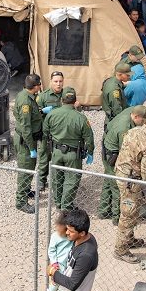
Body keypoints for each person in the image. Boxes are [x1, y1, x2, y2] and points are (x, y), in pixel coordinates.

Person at [114, 112, 146, 263]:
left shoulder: (133, 131)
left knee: (132, 209)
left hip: (121, 174)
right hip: (131, 182)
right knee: (128, 213)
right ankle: (120, 249)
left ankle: (129, 239)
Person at [98, 105, 146, 226]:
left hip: (109, 149)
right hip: (112, 155)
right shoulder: (124, 128)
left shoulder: (130, 111)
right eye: (142, 121)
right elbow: (125, 150)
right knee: (117, 185)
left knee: (108, 180)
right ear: (136, 116)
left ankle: (103, 211)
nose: (142, 124)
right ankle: (117, 217)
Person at [44, 90, 94, 211]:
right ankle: (66, 206)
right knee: (72, 179)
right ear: (75, 101)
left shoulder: (52, 114)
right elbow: (89, 138)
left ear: (61, 100)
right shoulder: (81, 117)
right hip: (73, 153)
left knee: (57, 178)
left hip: (56, 151)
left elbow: (45, 131)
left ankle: (58, 203)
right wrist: (90, 152)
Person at [47, 208, 98, 291]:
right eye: (67, 229)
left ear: (82, 233)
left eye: (71, 231)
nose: (67, 233)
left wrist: (52, 272)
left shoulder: (86, 255)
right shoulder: (82, 238)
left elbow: (72, 284)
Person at [37, 71, 75, 191]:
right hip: (47, 134)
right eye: (56, 81)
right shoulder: (43, 96)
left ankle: (59, 182)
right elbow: (36, 114)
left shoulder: (67, 94)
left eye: (60, 81)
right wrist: (42, 111)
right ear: (51, 82)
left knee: (60, 159)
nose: (58, 84)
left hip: (62, 134)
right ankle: (41, 181)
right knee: (44, 157)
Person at [13, 74, 43, 214]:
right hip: (25, 142)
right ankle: (21, 202)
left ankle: (26, 191)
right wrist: (32, 148)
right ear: (35, 86)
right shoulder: (26, 101)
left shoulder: (24, 95)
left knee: (29, 168)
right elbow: (26, 127)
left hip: (27, 139)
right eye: (39, 84)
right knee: (26, 170)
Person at [44, 211, 73, 291]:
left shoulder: (71, 236)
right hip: (58, 264)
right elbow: (51, 250)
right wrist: (54, 262)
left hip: (68, 264)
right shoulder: (55, 236)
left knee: (64, 284)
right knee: (55, 281)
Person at [101, 62, 130, 129]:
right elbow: (117, 108)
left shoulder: (111, 81)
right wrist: (123, 121)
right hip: (114, 119)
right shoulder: (114, 89)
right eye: (127, 75)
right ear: (120, 74)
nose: (129, 77)